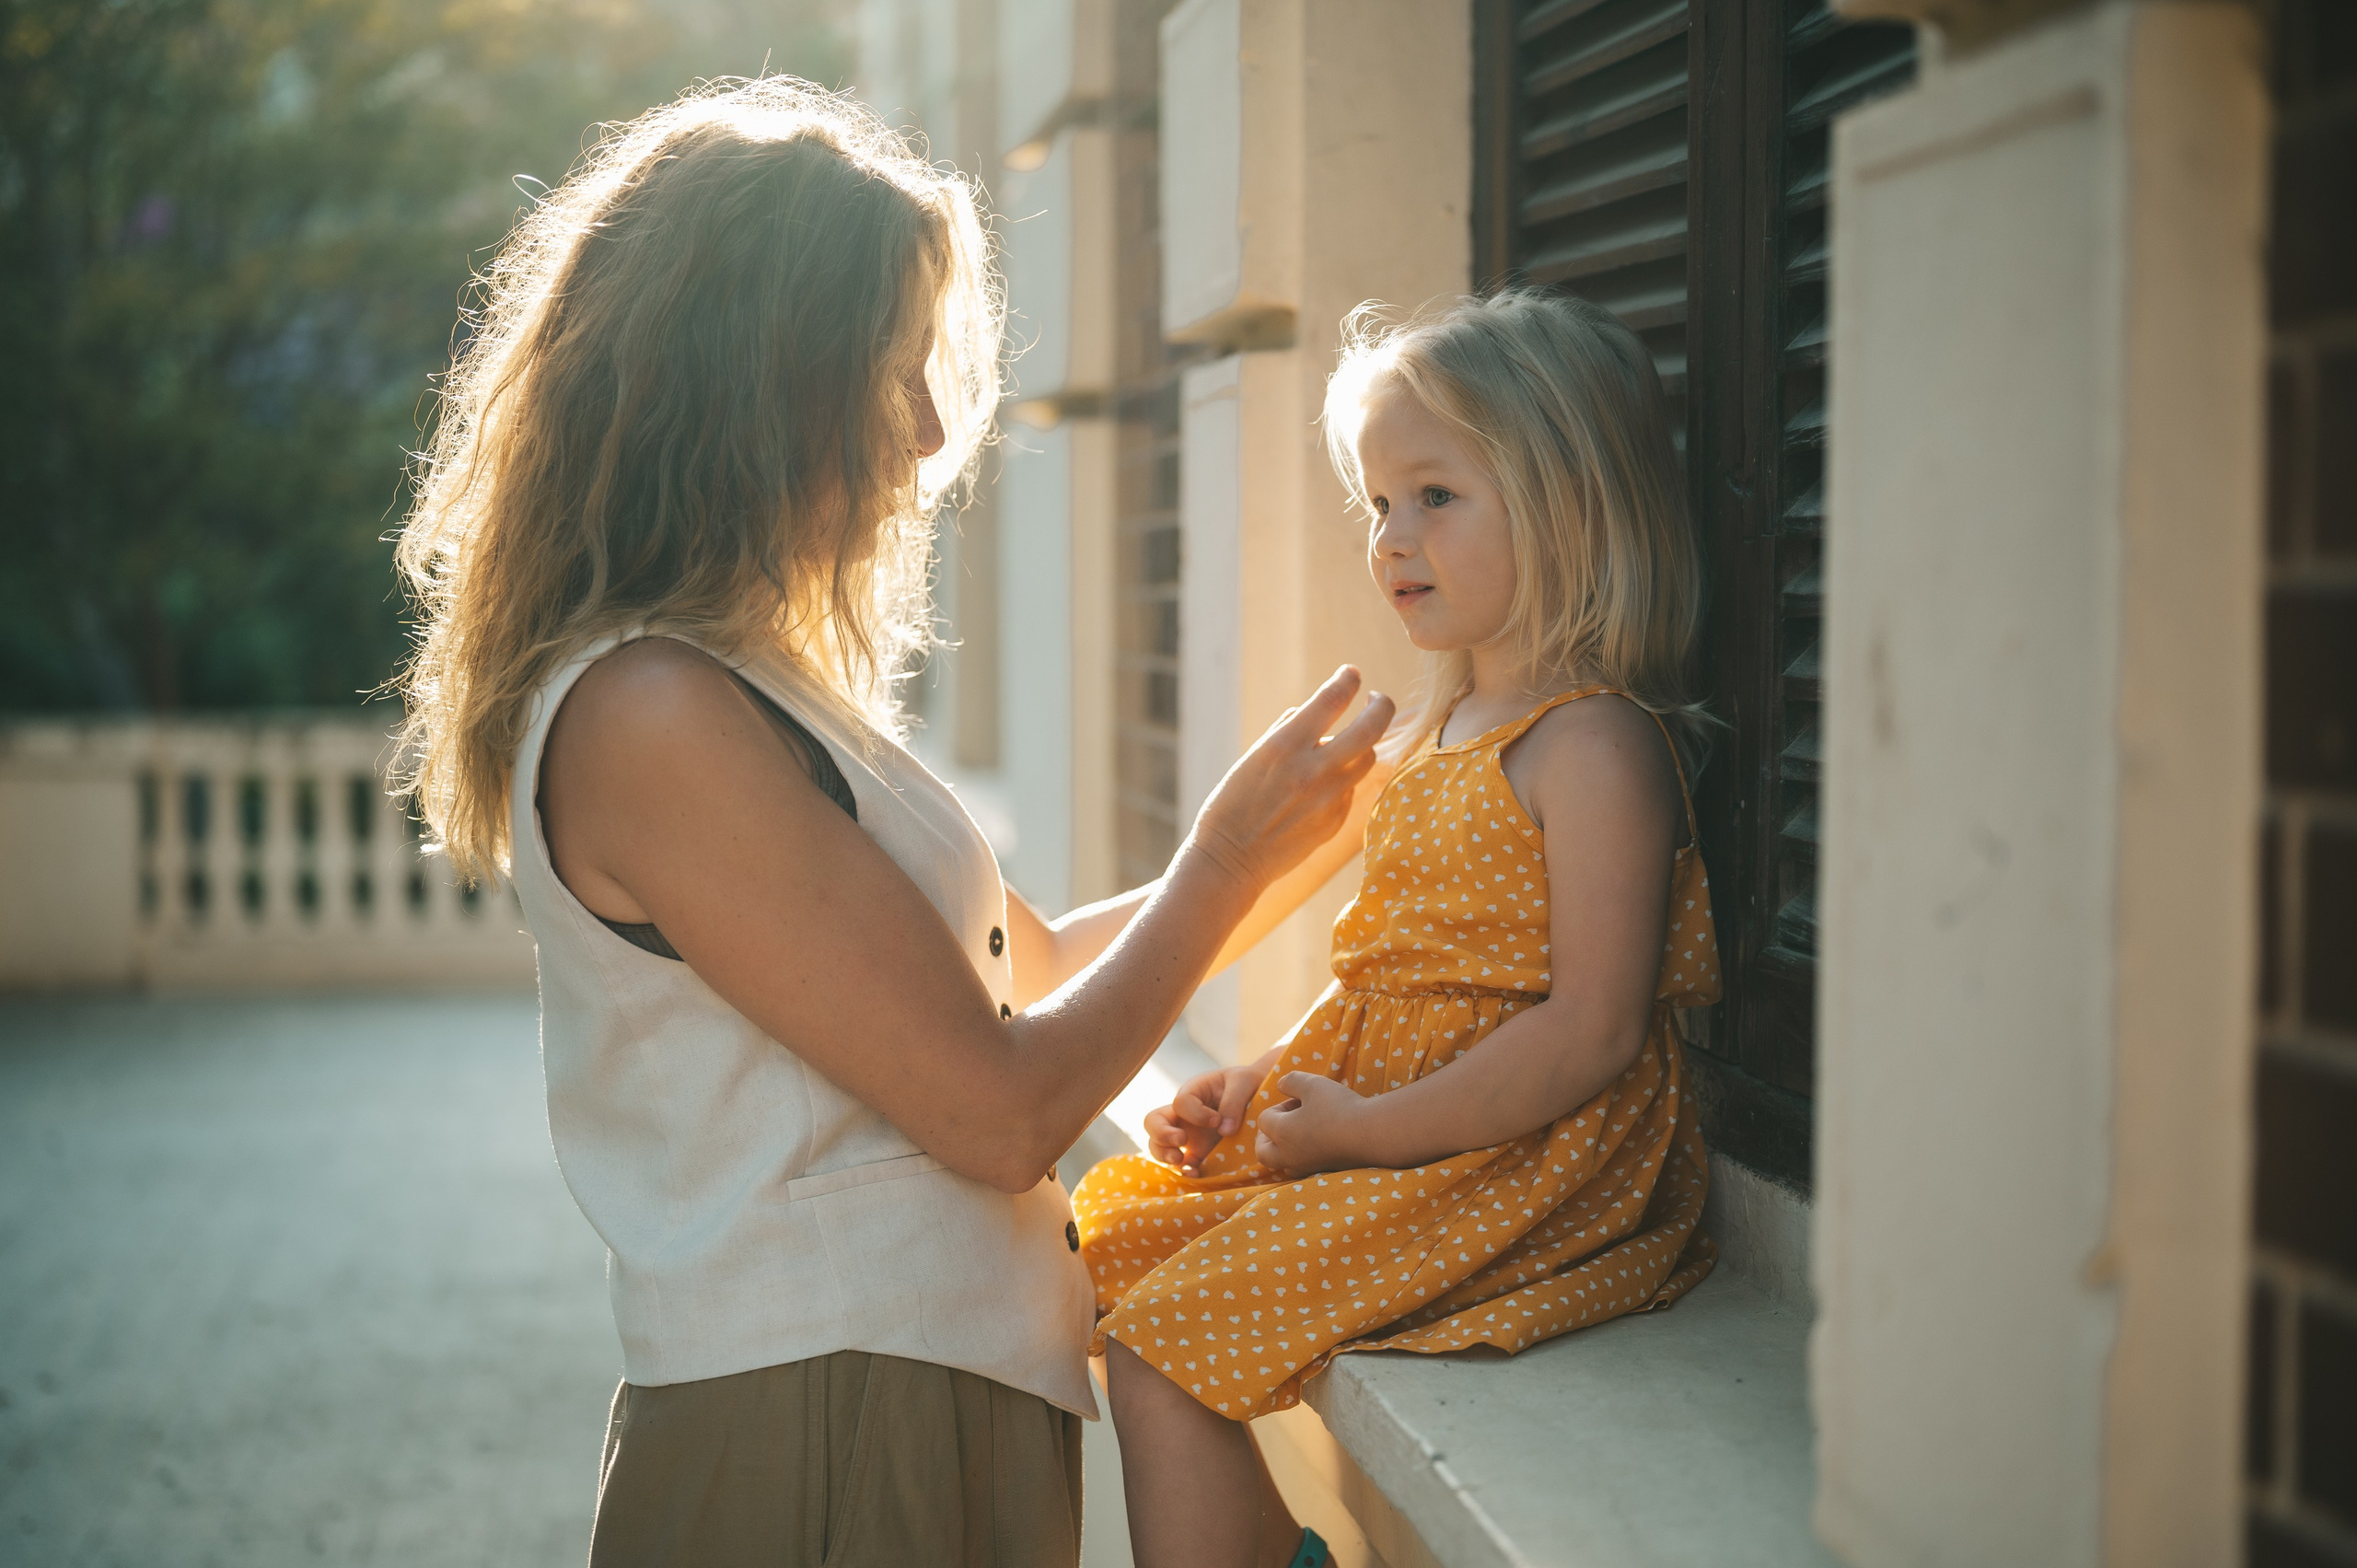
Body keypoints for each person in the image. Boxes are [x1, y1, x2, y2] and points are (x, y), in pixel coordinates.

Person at [391, 78, 1393, 1568]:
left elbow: (1033, 964)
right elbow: (999, 1106)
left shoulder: (740, 683)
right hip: (827, 1435)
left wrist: (1361, 814)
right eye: (890, 368)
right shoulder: (651, 715)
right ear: (757, 380)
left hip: (905, 1405)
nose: (929, 430)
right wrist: (1230, 857)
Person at [1074, 289, 1724, 1568]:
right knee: (1102, 1247)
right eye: (1378, 504)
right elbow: (1389, 977)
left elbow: (1591, 1032)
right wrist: (1261, 1083)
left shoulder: (1591, 745)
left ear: (1568, 504)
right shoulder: (1435, 740)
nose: (1392, 538)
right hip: (1409, 1134)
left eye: (1436, 496)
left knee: (1161, 1344)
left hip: (1522, 1155)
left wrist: (1366, 1131)